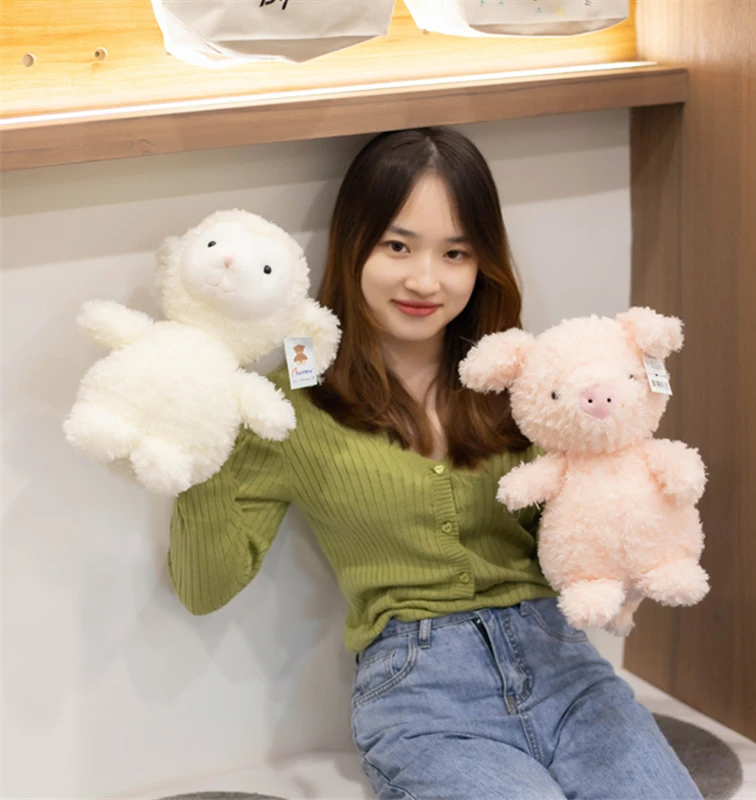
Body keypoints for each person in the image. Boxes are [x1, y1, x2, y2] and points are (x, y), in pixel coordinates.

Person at [169, 127, 703, 800]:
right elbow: (204, 587)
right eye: (397, 246)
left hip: (568, 672)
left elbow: (574, 534)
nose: (425, 280)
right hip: (424, 699)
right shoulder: (288, 409)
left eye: (455, 252)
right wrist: (198, 432)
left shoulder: (528, 385)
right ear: (353, 244)